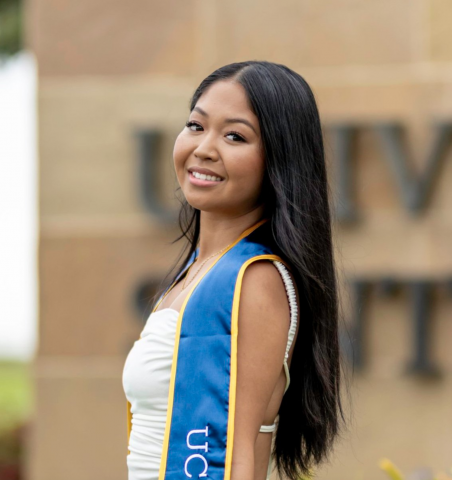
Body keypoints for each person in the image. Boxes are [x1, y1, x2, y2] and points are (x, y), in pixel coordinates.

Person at [122, 60, 346, 480]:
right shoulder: (192, 276)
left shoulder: (254, 281)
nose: (205, 147)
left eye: (234, 136)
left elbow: (230, 455)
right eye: (195, 125)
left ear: (279, 160)